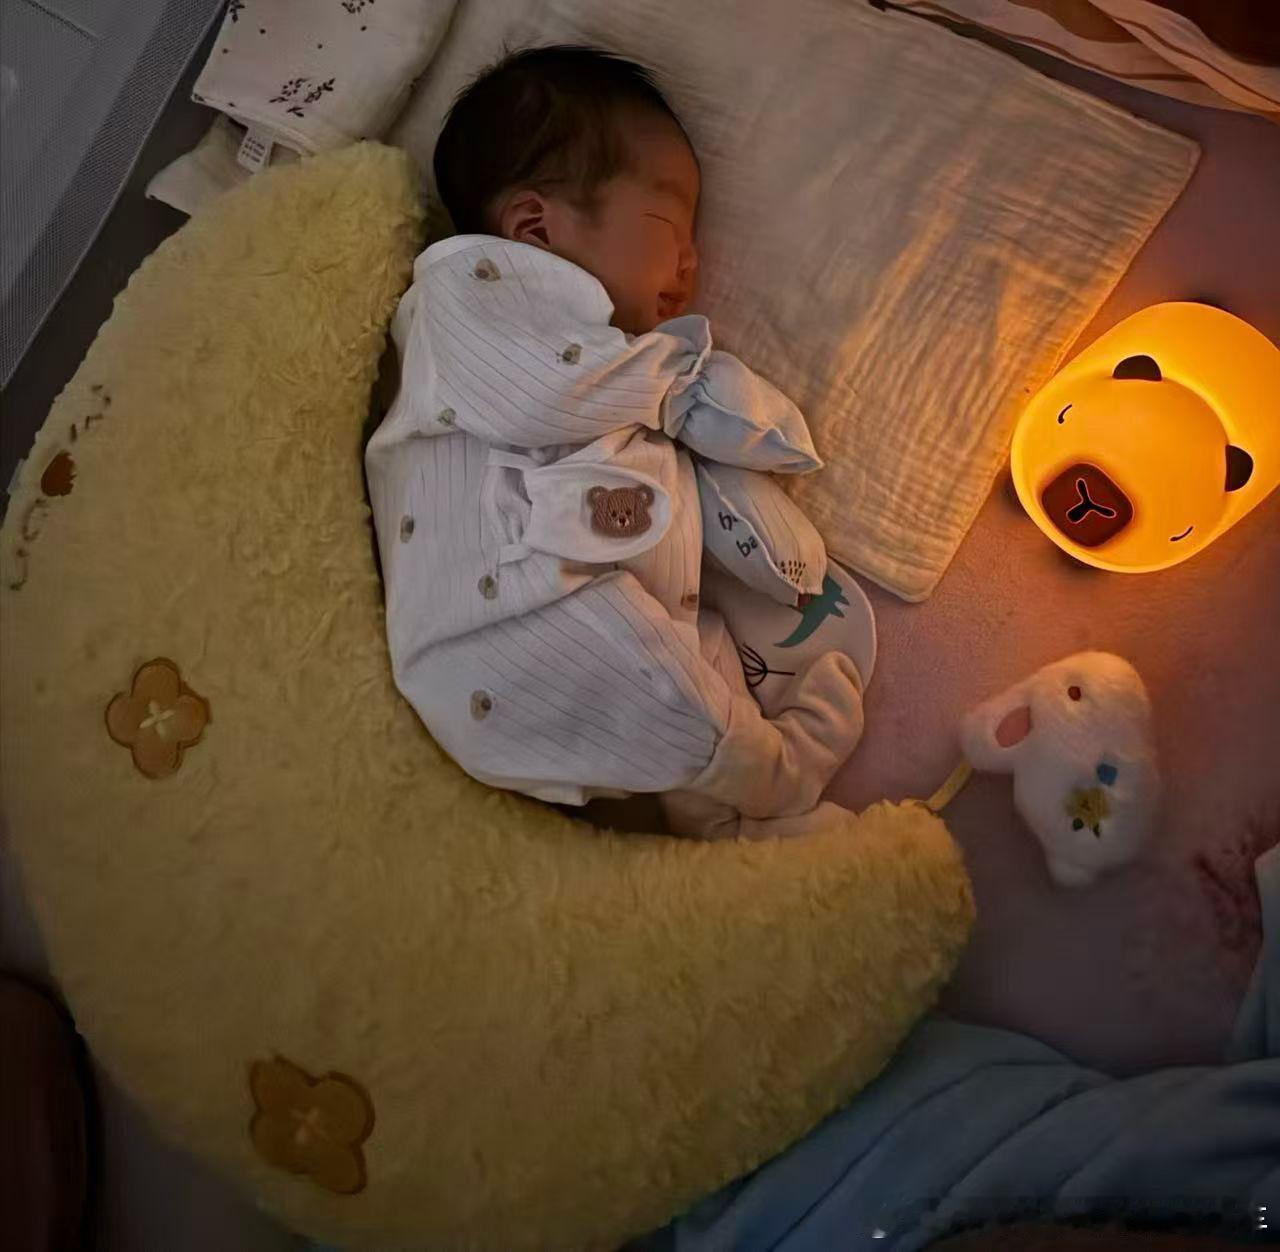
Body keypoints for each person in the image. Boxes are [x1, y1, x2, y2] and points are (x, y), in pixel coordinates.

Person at [365, 46, 865, 837]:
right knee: (662, 683)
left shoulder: (604, 359)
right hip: (499, 626)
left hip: (593, 602)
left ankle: (721, 821)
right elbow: (533, 393)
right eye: (670, 227)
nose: (692, 260)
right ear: (535, 228)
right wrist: (683, 381)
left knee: (688, 656)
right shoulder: (465, 289)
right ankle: (778, 776)